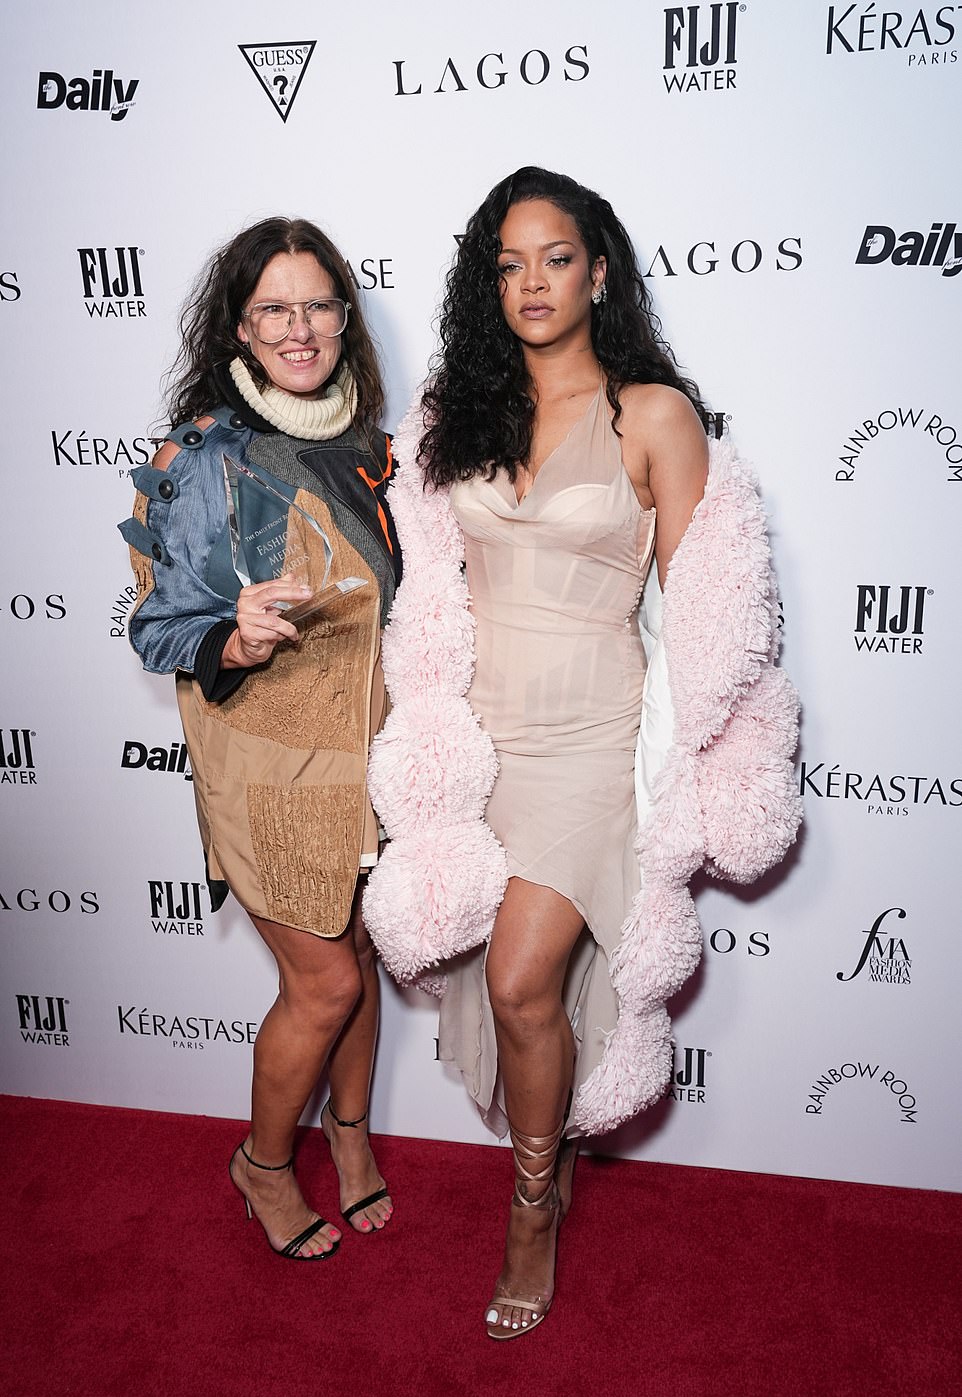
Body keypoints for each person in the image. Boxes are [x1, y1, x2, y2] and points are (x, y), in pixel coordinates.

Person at [363, 168, 800, 1334]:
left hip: (591, 743)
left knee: (518, 980)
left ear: (598, 270)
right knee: (509, 991)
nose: (531, 283)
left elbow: (702, 617)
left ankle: (531, 1201)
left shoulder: (652, 417)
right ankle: (539, 1173)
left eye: (553, 257)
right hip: (480, 735)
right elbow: (419, 568)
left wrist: (697, 773)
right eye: (507, 263)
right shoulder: (460, 409)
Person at [120, 217, 402, 1259]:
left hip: (372, 763)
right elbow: (156, 625)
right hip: (269, 767)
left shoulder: (374, 449)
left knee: (361, 956)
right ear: (238, 326)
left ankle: (353, 1137)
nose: (299, 328)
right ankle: (266, 1165)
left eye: (318, 305)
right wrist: (227, 636)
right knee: (323, 980)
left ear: (343, 317)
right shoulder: (205, 457)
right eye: (273, 308)